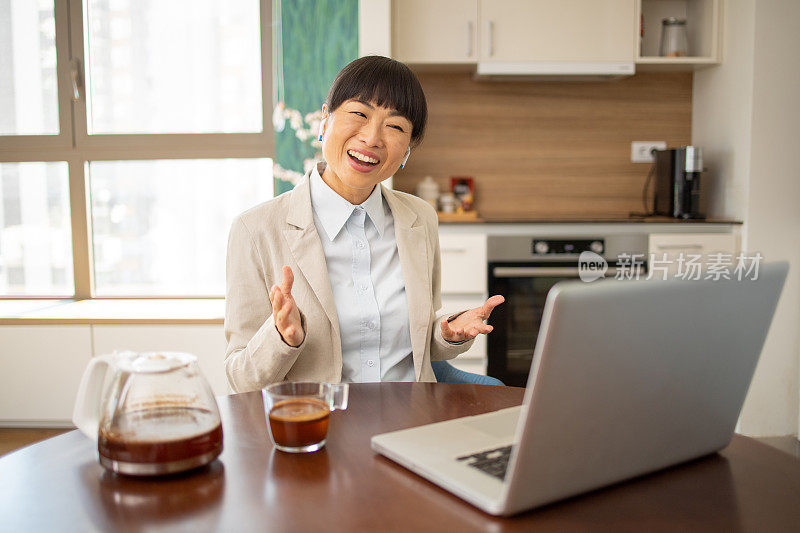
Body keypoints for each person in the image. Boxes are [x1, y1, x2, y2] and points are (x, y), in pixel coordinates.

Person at [224, 56, 504, 392]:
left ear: (407, 151)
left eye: (396, 127)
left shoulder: (420, 219)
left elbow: (417, 345)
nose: (372, 138)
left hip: (412, 419)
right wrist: (281, 337)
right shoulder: (255, 230)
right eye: (359, 114)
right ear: (324, 121)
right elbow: (240, 380)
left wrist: (447, 333)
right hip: (320, 427)